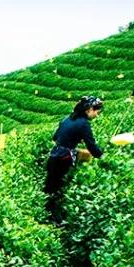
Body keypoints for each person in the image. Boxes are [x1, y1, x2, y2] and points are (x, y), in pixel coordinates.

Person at [44, 95, 103, 223]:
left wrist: (73, 139)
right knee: (60, 190)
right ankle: (56, 220)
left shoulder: (67, 119)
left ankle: (46, 216)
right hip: (63, 159)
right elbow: (92, 147)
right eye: (96, 112)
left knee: (50, 188)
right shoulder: (84, 124)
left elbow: (55, 138)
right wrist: (102, 156)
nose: (97, 115)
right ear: (89, 110)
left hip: (54, 156)